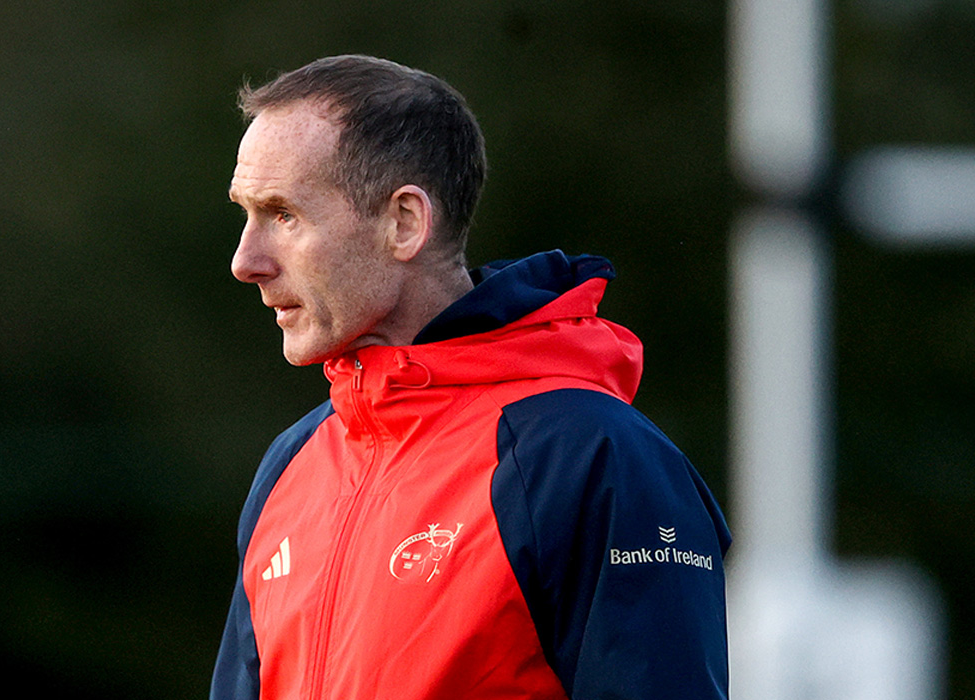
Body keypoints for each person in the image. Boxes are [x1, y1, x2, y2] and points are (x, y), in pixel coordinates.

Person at [212, 55, 730, 700]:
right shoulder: (292, 462)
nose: (245, 260)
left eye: (283, 214)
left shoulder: (593, 457)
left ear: (404, 222)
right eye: (245, 213)